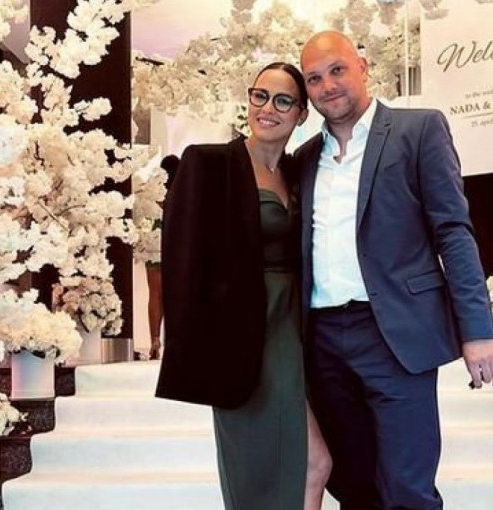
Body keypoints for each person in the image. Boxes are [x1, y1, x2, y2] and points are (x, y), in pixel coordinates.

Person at [296, 31, 493, 510]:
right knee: (353, 487)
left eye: (337, 70)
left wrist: (478, 330)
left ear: (363, 66)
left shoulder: (420, 130)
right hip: (322, 341)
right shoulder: (305, 159)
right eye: (314, 78)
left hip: (393, 334)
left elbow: (453, 232)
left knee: (408, 487)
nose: (328, 86)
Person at [155, 62, 331, 510]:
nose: (268, 108)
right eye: (260, 96)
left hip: (297, 332)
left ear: (301, 114)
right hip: (240, 338)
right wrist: (192, 350)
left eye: (283, 101)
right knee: (292, 466)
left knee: (312, 466)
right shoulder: (208, 162)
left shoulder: (300, 171)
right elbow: (182, 259)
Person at [145, 154, 179, 360]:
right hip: (175, 242)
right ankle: (175, 339)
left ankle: (155, 339)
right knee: (176, 292)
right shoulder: (181, 193)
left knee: (155, 292)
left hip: (154, 240)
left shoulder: (154, 196)